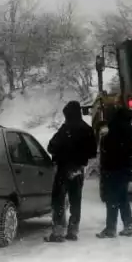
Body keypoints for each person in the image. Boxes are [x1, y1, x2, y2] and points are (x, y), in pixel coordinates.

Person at [46, 100, 97, 242]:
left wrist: (61, 153)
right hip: (78, 169)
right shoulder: (87, 129)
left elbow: (51, 147)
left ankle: (58, 231)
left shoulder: (65, 129)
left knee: (59, 200)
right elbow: (93, 152)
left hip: (62, 168)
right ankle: (73, 230)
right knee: (75, 200)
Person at [96, 106, 132, 239]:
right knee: (123, 197)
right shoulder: (130, 129)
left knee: (112, 198)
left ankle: (110, 228)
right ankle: (128, 225)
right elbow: (131, 149)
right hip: (124, 168)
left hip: (112, 168)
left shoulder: (112, 129)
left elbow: (106, 149)